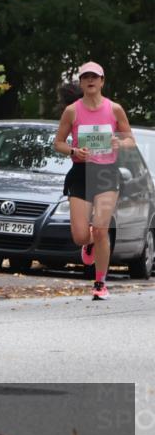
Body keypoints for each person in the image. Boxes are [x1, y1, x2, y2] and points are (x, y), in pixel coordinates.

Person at [54, 61, 135, 300]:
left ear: (102, 81)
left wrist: (120, 142)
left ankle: (100, 283)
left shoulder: (114, 109)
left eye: (95, 77)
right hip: (81, 173)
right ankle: (88, 243)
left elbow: (130, 139)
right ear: (81, 82)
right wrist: (72, 151)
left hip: (107, 173)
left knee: (101, 229)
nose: (90, 80)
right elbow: (58, 142)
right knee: (80, 235)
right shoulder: (72, 111)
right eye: (85, 77)